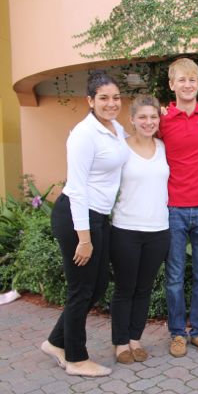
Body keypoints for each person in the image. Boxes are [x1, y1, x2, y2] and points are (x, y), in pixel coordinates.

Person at [41, 71, 129, 377]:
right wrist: (84, 238)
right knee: (81, 289)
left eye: (116, 97)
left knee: (99, 284)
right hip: (77, 217)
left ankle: (55, 341)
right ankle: (76, 358)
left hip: (98, 217)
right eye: (103, 98)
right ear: (90, 101)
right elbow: (76, 188)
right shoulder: (83, 134)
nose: (111, 103)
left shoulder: (115, 128)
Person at [159, 58, 198, 357]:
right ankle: (176, 333)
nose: (187, 85)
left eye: (192, 80)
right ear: (171, 84)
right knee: (173, 277)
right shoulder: (162, 120)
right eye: (181, 80)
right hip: (173, 209)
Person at [110, 95, 170, 364]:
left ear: (159, 119)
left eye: (153, 117)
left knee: (144, 288)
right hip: (125, 229)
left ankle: (136, 339)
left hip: (158, 229)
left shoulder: (163, 147)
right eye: (143, 117)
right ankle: (121, 343)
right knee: (125, 288)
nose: (148, 122)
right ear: (132, 119)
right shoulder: (120, 149)